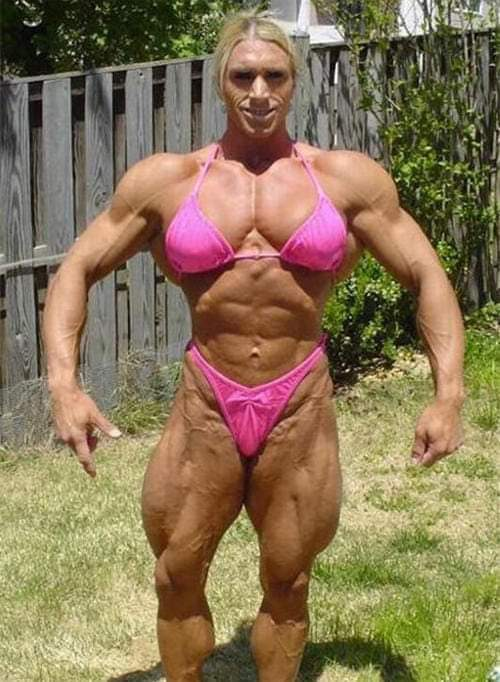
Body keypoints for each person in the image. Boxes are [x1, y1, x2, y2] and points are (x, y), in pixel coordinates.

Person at [43, 9, 465, 682]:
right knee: (176, 572)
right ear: (222, 82)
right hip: (207, 398)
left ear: (294, 82)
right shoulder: (169, 180)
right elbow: (77, 267)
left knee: (289, 579)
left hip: (299, 402)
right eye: (244, 76)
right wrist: (64, 384)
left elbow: (425, 273)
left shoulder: (345, 179)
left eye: (274, 76)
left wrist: (448, 395)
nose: (259, 92)